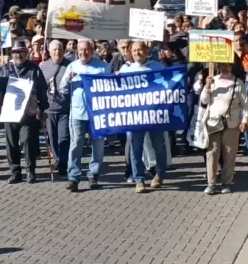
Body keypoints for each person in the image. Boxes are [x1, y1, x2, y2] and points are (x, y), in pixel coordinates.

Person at [60, 40, 110, 191]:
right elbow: (62, 88)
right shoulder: (72, 66)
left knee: (98, 147)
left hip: (97, 114)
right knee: (75, 145)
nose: (83, 52)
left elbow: (110, 88)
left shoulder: (102, 67)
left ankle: (93, 175)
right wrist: (69, 78)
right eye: (80, 50)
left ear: (93, 50)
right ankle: (73, 177)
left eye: (87, 50)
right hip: (77, 113)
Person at [119, 41, 169, 193]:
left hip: (154, 115)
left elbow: (168, 85)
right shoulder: (126, 69)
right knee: (136, 149)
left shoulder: (157, 67)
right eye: (134, 50)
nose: (136, 53)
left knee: (159, 147)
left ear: (147, 51)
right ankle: (139, 179)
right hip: (135, 117)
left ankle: (160, 173)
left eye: (140, 50)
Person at [0, 39, 49, 183]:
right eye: (15, 52)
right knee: (11, 143)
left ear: (26, 53)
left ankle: (30, 170)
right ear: (11, 54)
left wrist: (42, 107)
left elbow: (42, 90)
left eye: (21, 52)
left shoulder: (34, 69)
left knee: (28, 140)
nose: (18, 55)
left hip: (28, 112)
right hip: (10, 113)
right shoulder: (4, 69)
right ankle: (15, 172)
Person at [199, 62, 248, 195]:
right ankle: (211, 183)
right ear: (218, 67)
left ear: (232, 67)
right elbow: (204, 101)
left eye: (228, 66)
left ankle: (226, 182)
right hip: (213, 123)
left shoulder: (238, 83)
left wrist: (245, 120)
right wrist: (207, 86)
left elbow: (245, 104)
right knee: (212, 153)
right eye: (222, 66)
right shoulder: (213, 80)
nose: (225, 68)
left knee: (229, 154)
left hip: (232, 124)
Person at [40, 40, 70, 175]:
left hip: (65, 108)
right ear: (50, 52)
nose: (57, 52)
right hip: (49, 108)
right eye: (54, 50)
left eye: (60, 49)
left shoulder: (70, 66)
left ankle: (63, 163)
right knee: (52, 137)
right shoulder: (42, 66)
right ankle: (57, 159)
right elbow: (38, 87)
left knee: (63, 137)